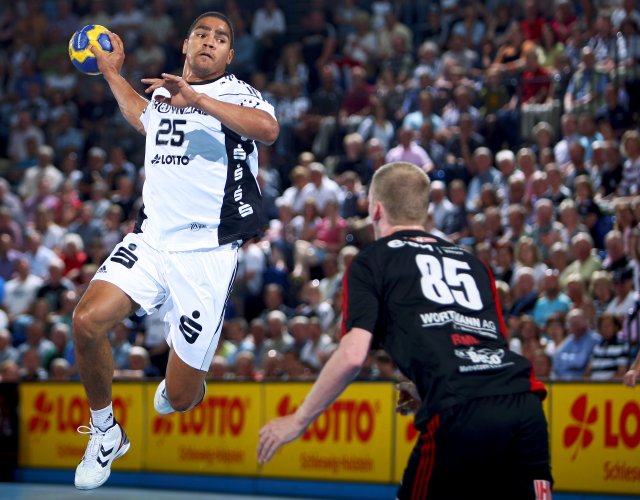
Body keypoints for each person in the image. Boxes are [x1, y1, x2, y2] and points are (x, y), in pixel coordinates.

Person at [257, 162, 552, 499]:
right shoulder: (472, 262)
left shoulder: (372, 261)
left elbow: (353, 355)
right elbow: (483, 345)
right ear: (424, 209)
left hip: (458, 410)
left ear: (376, 210)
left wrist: (299, 419)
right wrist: (425, 384)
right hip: (524, 405)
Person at [72, 12, 279, 490]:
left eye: (220, 38)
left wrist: (198, 99)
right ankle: (105, 431)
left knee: (182, 398)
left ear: (229, 55)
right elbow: (145, 117)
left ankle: (184, 386)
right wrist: (112, 74)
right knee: (85, 321)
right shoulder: (165, 93)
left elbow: (268, 130)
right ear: (186, 45)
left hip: (206, 252)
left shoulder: (237, 94)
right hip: (151, 241)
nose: (209, 41)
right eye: (201, 34)